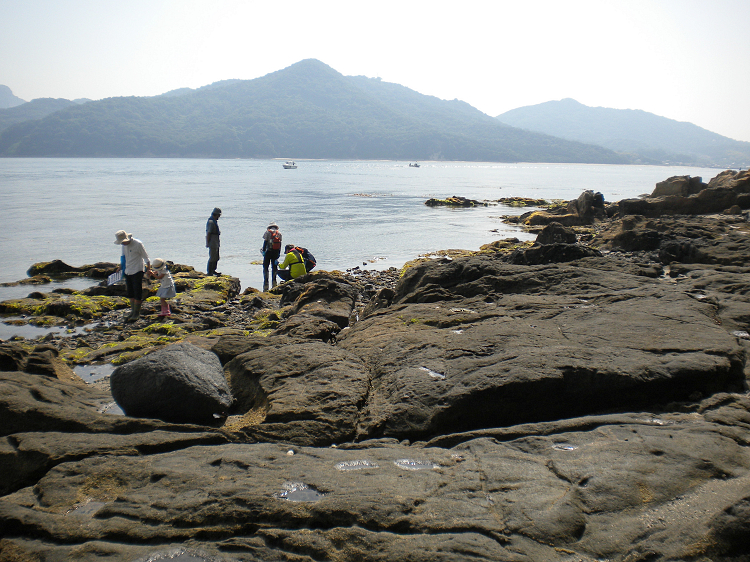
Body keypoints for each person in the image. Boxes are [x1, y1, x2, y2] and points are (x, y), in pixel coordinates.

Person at [114, 230, 151, 323]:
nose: (123, 243)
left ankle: (136, 313)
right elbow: (124, 257)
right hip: (127, 270)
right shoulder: (123, 245)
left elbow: (146, 257)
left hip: (137, 270)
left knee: (137, 291)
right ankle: (132, 311)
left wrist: (149, 269)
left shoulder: (138, 244)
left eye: (123, 241)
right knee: (130, 292)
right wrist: (120, 267)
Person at [261, 221, 282, 291]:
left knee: (266, 266)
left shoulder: (267, 232)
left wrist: (263, 251)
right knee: (274, 266)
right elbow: (280, 244)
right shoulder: (279, 233)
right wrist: (279, 253)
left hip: (268, 252)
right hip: (276, 252)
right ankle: (274, 280)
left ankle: (266, 281)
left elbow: (265, 242)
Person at [206, 207, 221, 276]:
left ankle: (213, 270)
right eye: (219, 215)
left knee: (216, 257)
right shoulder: (211, 222)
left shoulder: (214, 221)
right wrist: (207, 242)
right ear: (216, 214)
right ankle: (210, 272)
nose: (219, 217)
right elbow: (208, 233)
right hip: (212, 242)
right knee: (212, 257)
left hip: (216, 242)